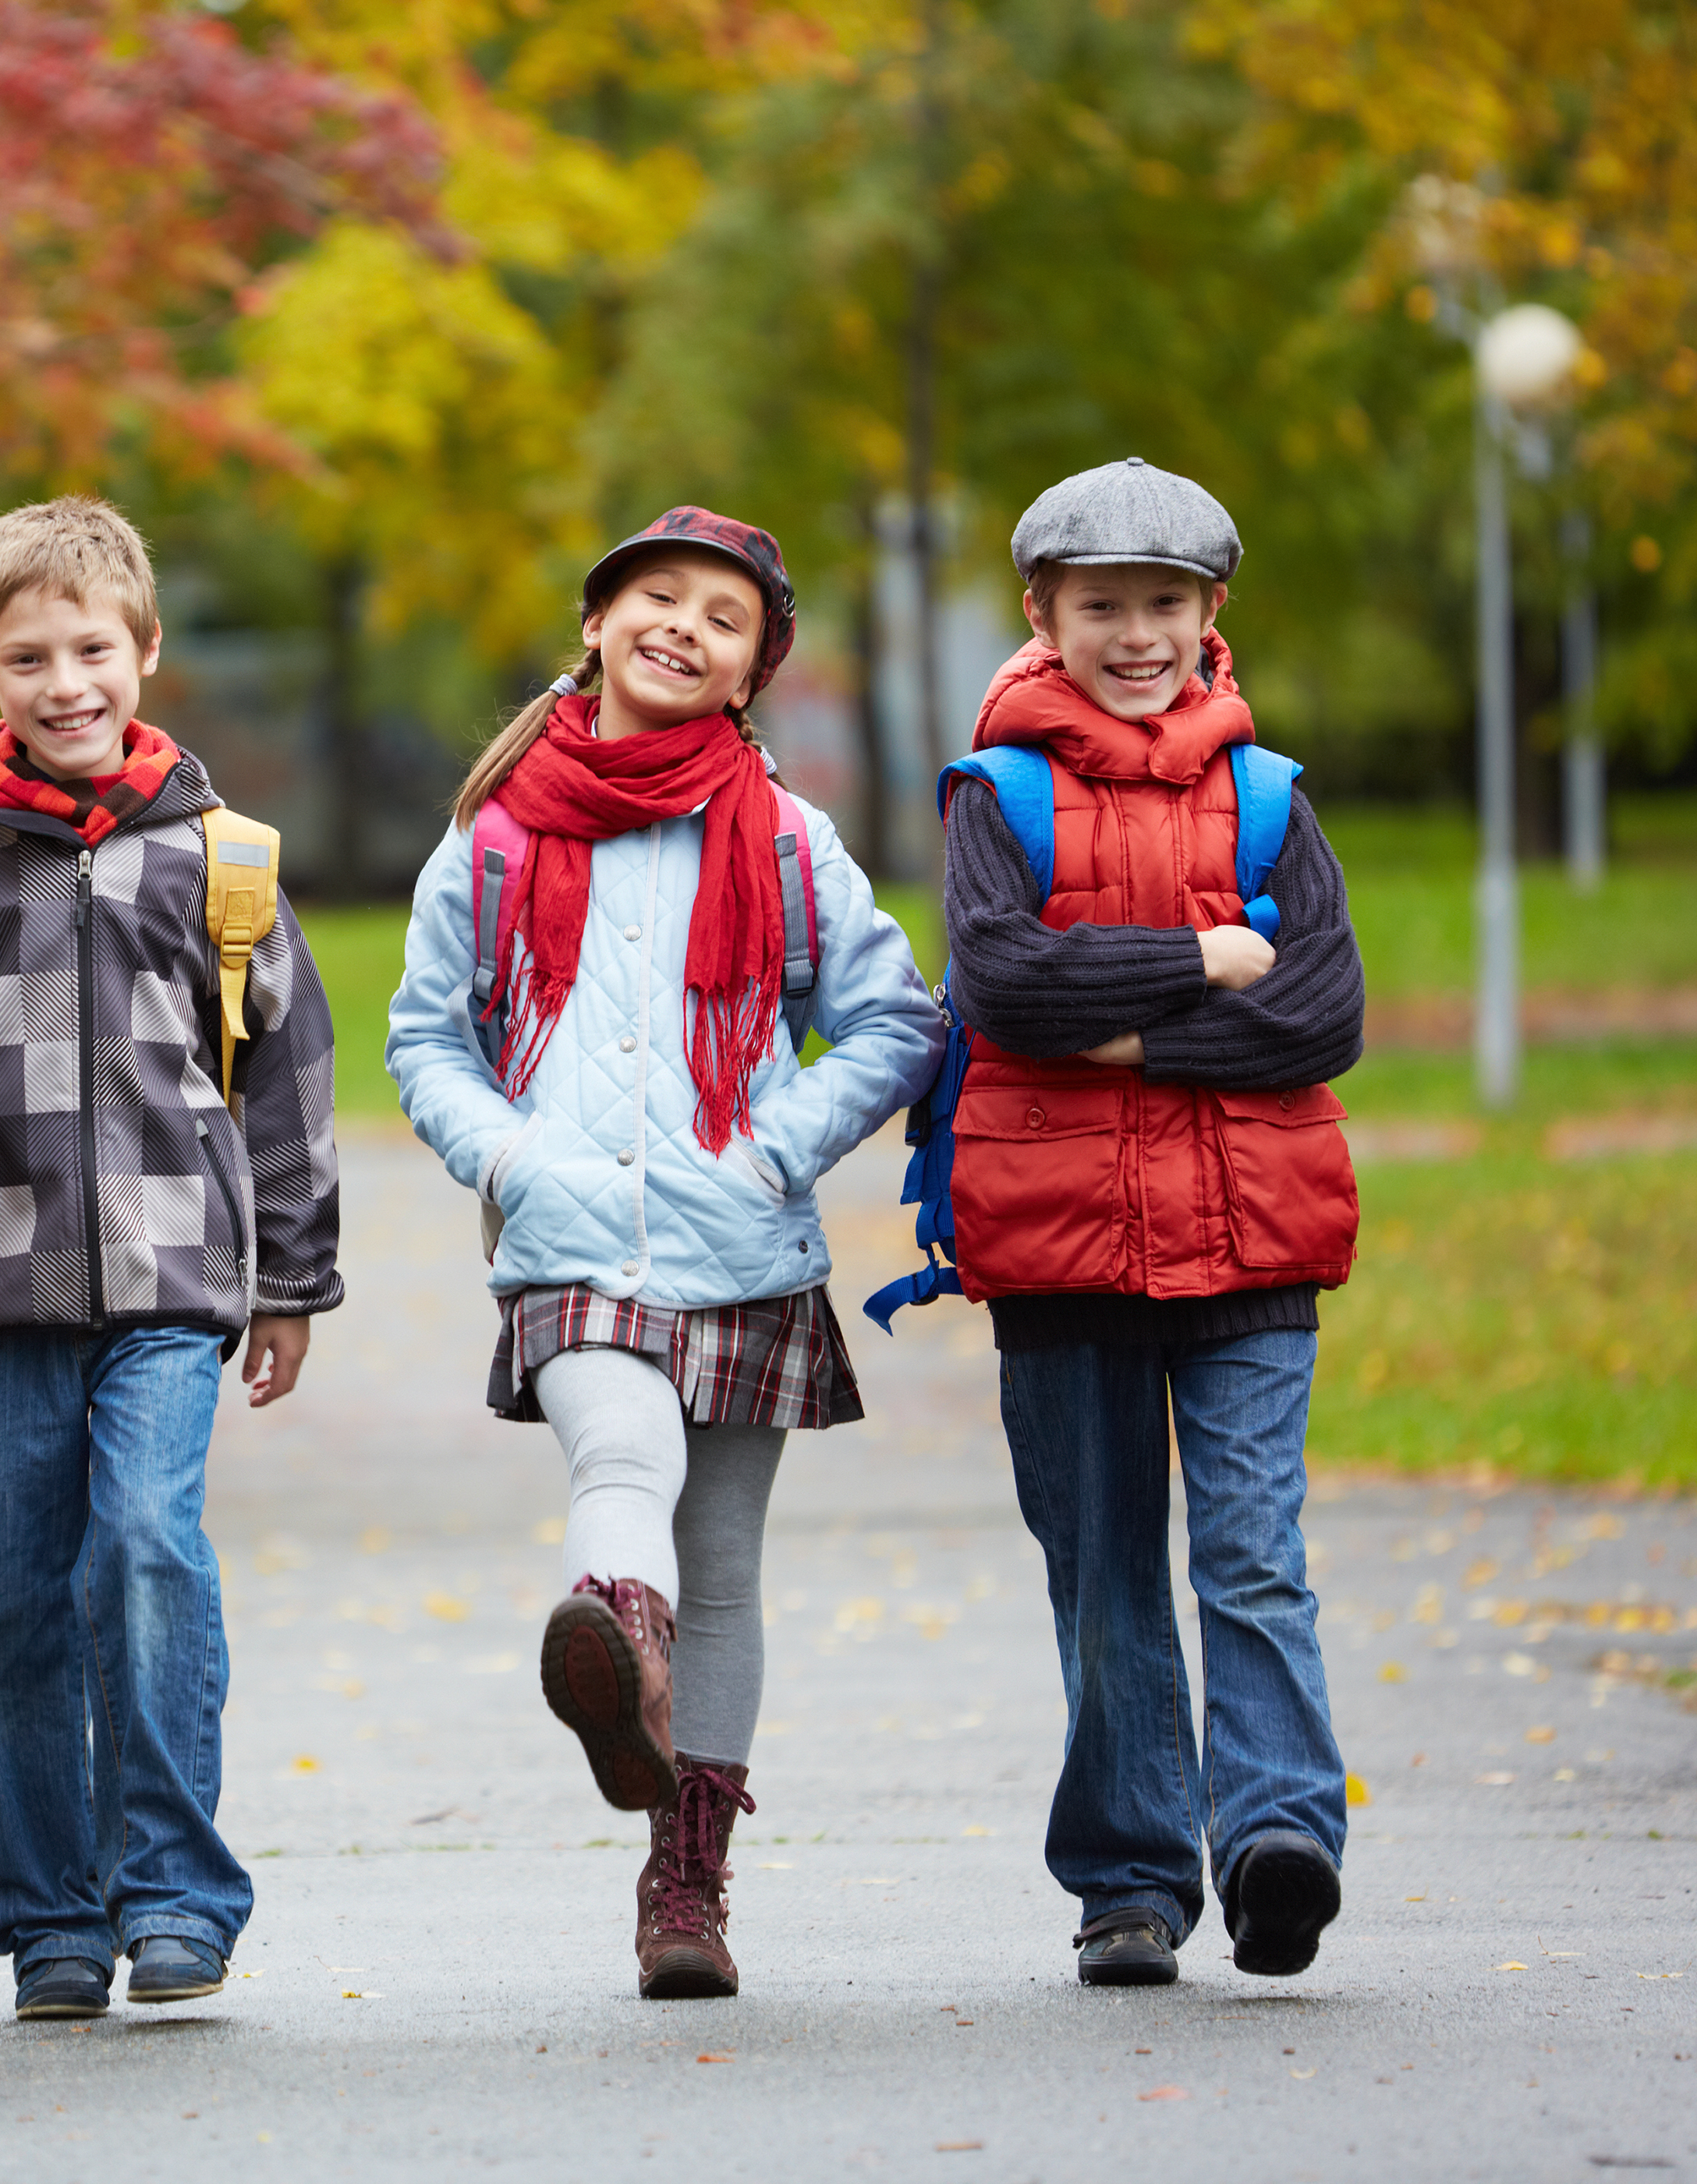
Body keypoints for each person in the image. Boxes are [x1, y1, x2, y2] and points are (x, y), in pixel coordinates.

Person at [0, 496, 344, 2023]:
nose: (65, 681)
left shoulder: (222, 864)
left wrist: (293, 1283)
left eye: (92, 649)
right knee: (8, 1610)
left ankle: (174, 1895)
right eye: (29, 657)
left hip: (172, 1283)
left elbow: (287, 1083)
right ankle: (50, 1920)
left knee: (147, 1548)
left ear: (144, 650)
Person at [386, 508, 943, 1999]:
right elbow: (427, 1039)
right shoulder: (497, 836)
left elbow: (895, 1023)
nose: (683, 626)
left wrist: (771, 1152)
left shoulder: (788, 840)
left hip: (744, 1248)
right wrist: (512, 1158)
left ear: (753, 671)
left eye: (724, 616)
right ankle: (621, 1652)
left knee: (727, 1569)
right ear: (596, 622)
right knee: (621, 1450)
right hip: (568, 1242)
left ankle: (686, 1881)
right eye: (656, 595)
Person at [941, 458, 1365, 1988]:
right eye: (1103, 605)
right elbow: (1004, 984)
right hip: (1061, 1253)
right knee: (1109, 1573)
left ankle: (1277, 1839)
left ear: (1211, 610)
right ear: (1042, 613)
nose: (1136, 635)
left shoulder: (1269, 797)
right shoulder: (997, 796)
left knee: (1252, 1551)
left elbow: (1322, 1014)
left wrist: (1120, 1035)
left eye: (1164, 604)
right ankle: (1129, 1878)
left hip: (1254, 1238)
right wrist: (1205, 960)